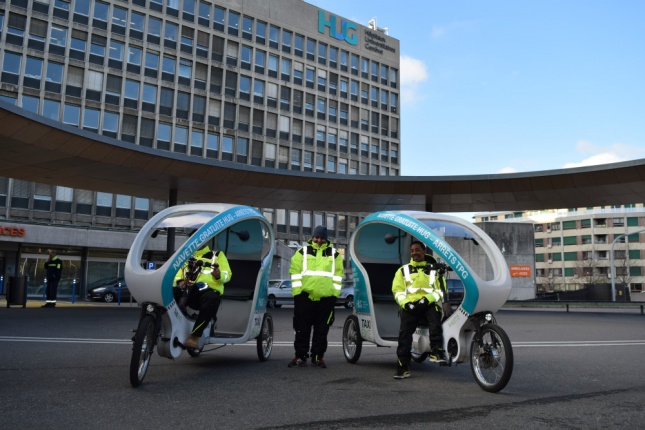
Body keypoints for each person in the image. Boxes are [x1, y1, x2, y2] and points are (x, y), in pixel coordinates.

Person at [391, 240, 452, 379]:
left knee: (435, 321)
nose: (414, 253)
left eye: (417, 250)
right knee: (404, 335)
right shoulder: (403, 270)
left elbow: (441, 291)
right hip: (410, 306)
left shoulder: (435, 269)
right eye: (412, 250)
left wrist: (427, 299)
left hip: (428, 304)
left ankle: (436, 352)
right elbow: (397, 291)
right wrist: (406, 304)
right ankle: (403, 367)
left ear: (424, 251)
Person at [288, 225, 344, 368]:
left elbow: (338, 275)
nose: (319, 240)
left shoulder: (335, 254)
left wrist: (334, 295)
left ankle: (318, 357)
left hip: (326, 299)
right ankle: (300, 357)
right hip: (304, 298)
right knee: (301, 329)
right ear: (312, 237)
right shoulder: (302, 252)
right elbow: (294, 272)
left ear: (326, 239)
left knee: (322, 330)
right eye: (317, 237)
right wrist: (298, 294)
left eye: (322, 238)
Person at [175, 243, 232, 349]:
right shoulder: (185, 256)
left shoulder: (217, 255)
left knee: (212, 299)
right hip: (187, 291)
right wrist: (180, 281)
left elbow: (227, 274)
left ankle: (195, 336)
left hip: (206, 292)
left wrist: (219, 275)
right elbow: (177, 272)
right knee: (168, 292)